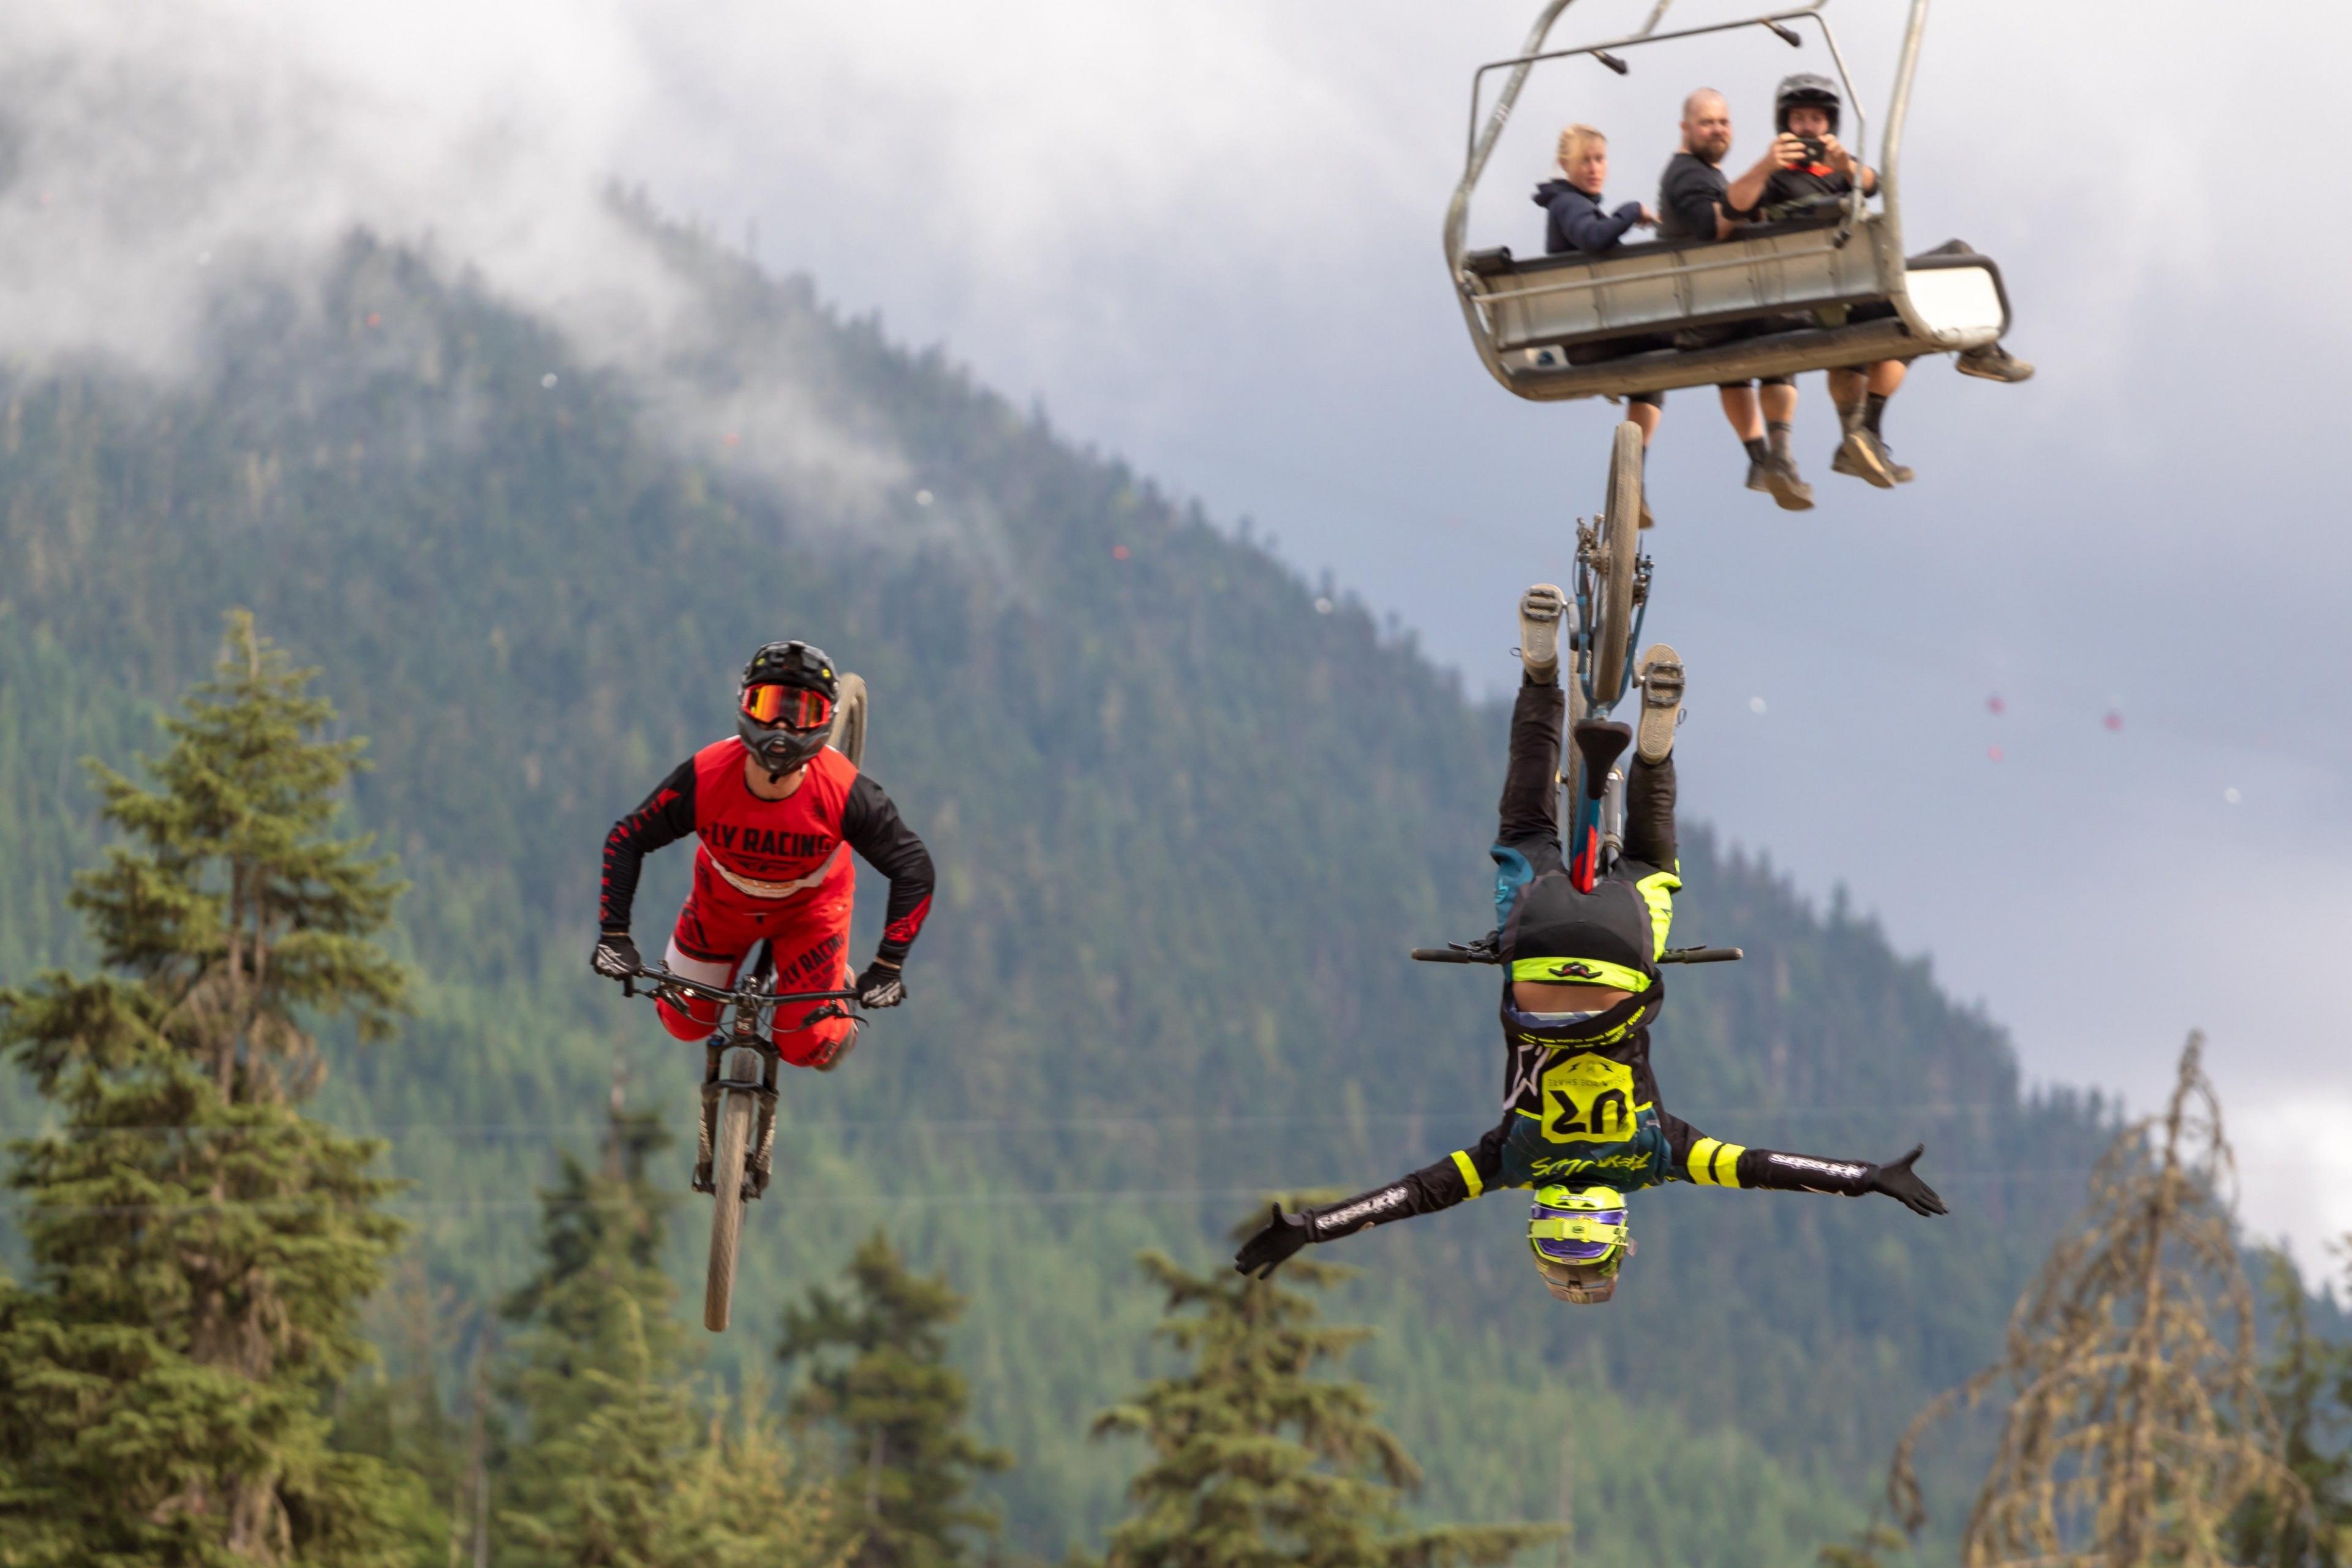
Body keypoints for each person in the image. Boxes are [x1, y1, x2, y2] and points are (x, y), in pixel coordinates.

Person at [1232, 586, 1947, 1302]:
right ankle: (1540, 672)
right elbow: (1409, 1196)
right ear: (1540, 1219)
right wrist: (1308, 1226)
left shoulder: (1658, 1153)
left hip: (1620, 956)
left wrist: (1870, 1176)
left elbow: (1767, 1166)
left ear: (1619, 1224)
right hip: (1538, 951)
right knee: (1523, 824)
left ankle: (1657, 753)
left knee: (1654, 864)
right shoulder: (1511, 1160)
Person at [590, 640, 935, 1095]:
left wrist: (887, 966)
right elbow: (628, 838)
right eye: (768, 705)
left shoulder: (847, 792)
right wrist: (615, 937)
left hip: (812, 915)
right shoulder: (707, 775)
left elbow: (914, 868)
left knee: (806, 1045)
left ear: (824, 723)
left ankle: (838, 1008)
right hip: (721, 907)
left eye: (802, 713)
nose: (781, 727)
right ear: (744, 707)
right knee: (682, 1021)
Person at [1758, 75, 2034, 489]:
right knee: (1955, 258)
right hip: (1831, 295)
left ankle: (1861, 439)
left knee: (1889, 331)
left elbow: (1875, 183)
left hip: (1844, 298)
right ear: (1785, 125)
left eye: (1817, 118)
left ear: (1830, 124)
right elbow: (1765, 208)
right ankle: (1977, 354)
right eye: (1800, 118)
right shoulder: (1774, 178)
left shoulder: (1836, 173)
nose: (1809, 127)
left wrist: (1843, 165)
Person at [1534, 124, 1664, 514]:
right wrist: (1632, 211)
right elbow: (1593, 238)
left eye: (1599, 159)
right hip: (1588, 335)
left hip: (1593, 328)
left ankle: (1631, 477)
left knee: (1655, 371)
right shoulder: (1569, 204)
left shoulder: (1576, 204)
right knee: (1678, 340)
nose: (1594, 168)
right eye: (1584, 160)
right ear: (1564, 165)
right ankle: (1630, 477)